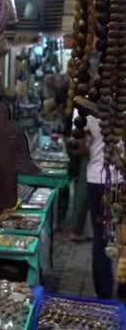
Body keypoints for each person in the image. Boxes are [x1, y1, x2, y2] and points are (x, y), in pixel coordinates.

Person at [81, 114, 122, 299]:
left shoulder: (85, 108)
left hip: (97, 178)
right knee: (121, 236)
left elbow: (81, 146)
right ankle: (121, 288)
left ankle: (104, 293)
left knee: (101, 237)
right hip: (119, 179)